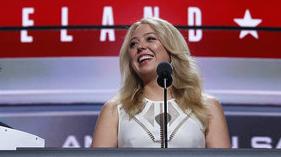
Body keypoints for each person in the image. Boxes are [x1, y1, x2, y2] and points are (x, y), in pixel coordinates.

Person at [92, 17, 231, 148]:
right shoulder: (115, 110)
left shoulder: (207, 106)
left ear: (171, 48)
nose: (140, 47)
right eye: (133, 44)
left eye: (150, 39)